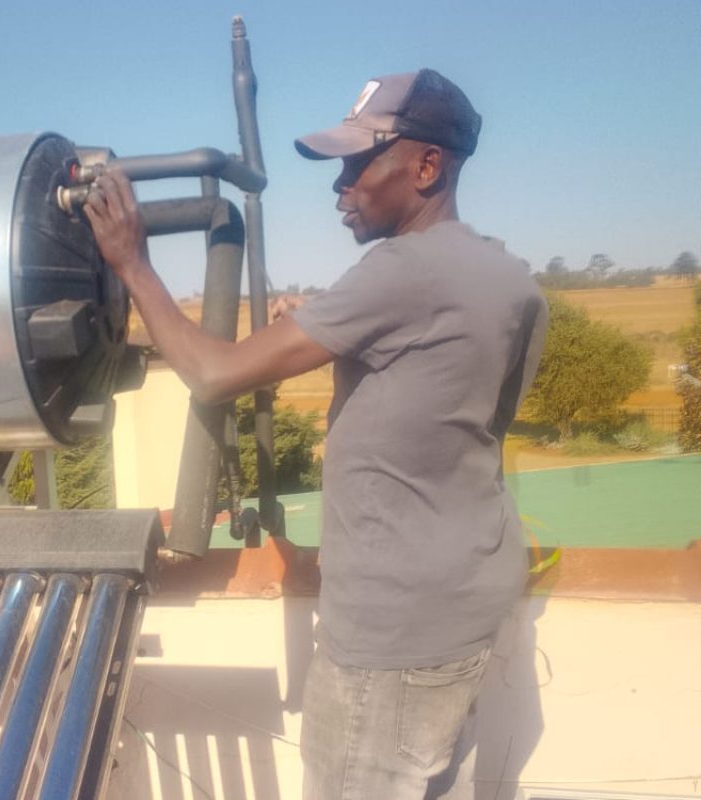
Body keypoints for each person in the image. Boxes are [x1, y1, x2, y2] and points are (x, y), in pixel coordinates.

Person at [84, 68, 548, 799]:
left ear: (427, 166)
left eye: (362, 163)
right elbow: (467, 406)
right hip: (468, 599)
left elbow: (212, 374)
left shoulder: (398, 272)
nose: (342, 186)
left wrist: (132, 263)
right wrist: (343, 331)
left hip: (389, 632)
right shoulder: (507, 275)